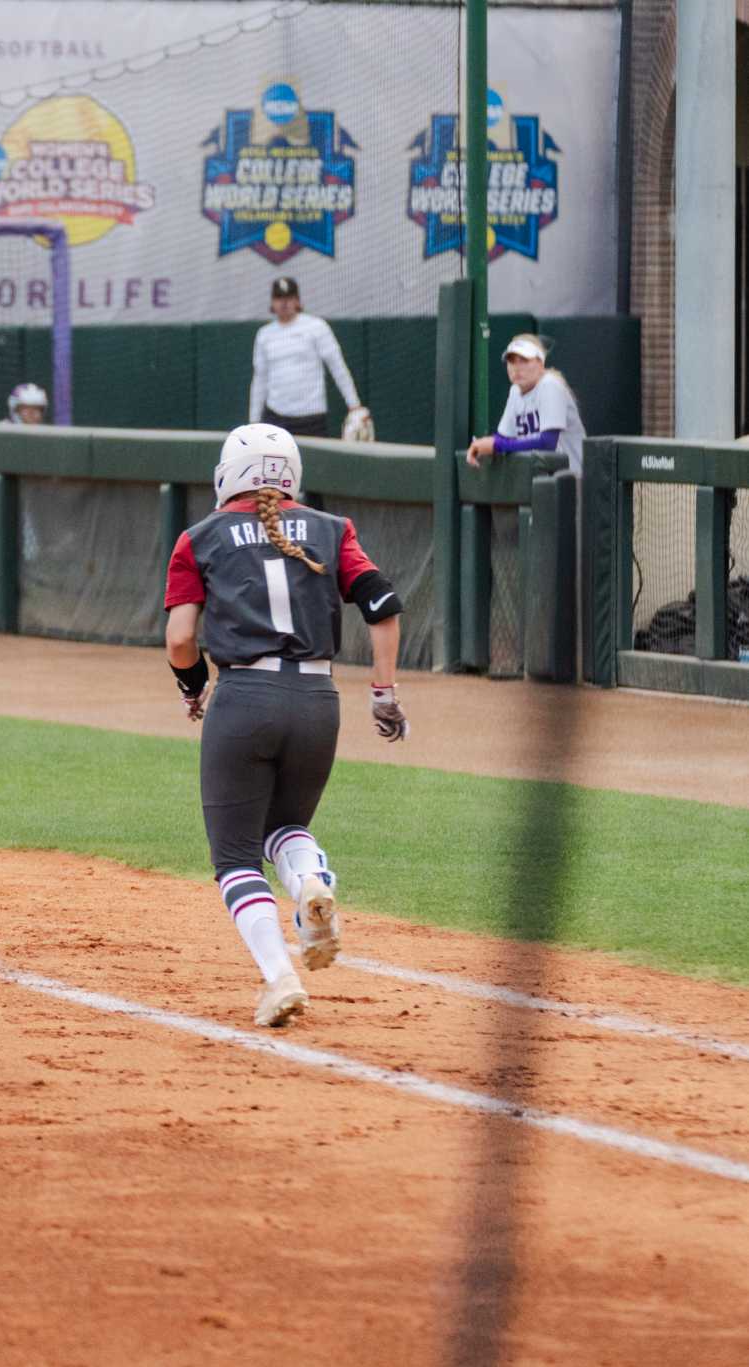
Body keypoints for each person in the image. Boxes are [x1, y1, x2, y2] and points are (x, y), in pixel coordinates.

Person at [162, 423, 409, 1028]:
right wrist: (383, 692)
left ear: (230, 477)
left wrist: (193, 687)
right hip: (318, 698)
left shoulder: (200, 538)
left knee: (236, 857)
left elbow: (180, 639)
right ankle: (309, 887)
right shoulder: (332, 529)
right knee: (288, 826)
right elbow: (382, 604)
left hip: (245, 696)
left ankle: (279, 976)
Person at [248, 277, 366, 439]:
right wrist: (253, 422)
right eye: (279, 298)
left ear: (297, 301)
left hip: (311, 417)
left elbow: (337, 367)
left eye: (289, 298)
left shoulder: (316, 327)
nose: (284, 303)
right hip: (276, 416)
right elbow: (260, 378)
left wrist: (354, 405)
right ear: (272, 303)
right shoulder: (264, 335)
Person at [466, 333, 586, 469]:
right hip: (540, 476)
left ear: (540, 363)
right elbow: (504, 436)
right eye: (511, 361)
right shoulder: (515, 391)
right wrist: (481, 445)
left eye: (524, 360)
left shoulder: (550, 385)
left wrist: (496, 445)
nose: (517, 367)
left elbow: (548, 443)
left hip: (571, 478)